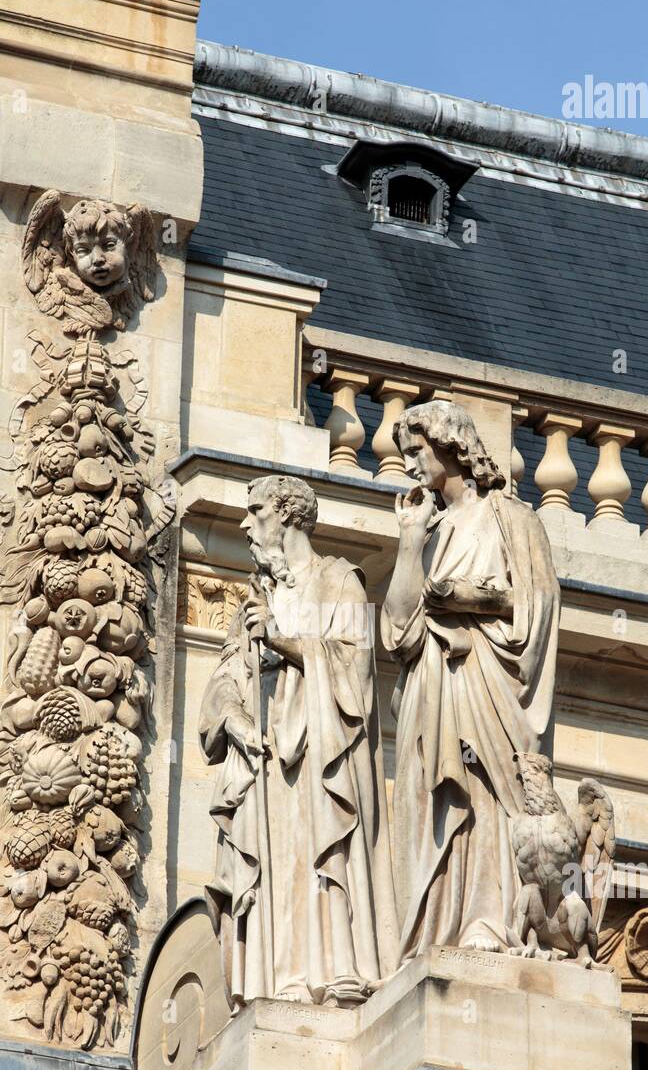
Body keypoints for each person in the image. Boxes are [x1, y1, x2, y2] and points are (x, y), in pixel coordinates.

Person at [199, 473, 399, 1006]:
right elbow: (223, 677)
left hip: (319, 756)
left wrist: (282, 639)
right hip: (263, 759)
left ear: (287, 515)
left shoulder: (338, 581)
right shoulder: (255, 597)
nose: (244, 524)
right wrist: (234, 718)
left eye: (256, 511)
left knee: (316, 859)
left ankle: (332, 977)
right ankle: (274, 984)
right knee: (275, 872)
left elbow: (353, 666)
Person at [381, 400, 560, 958]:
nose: (409, 464)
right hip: (430, 686)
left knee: (483, 790)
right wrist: (409, 543)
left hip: (486, 676)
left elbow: (537, 603)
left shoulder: (512, 520)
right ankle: (433, 929)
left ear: (450, 448)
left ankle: (486, 919)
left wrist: (471, 600)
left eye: (417, 451)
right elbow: (396, 632)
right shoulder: (426, 531)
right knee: (432, 803)